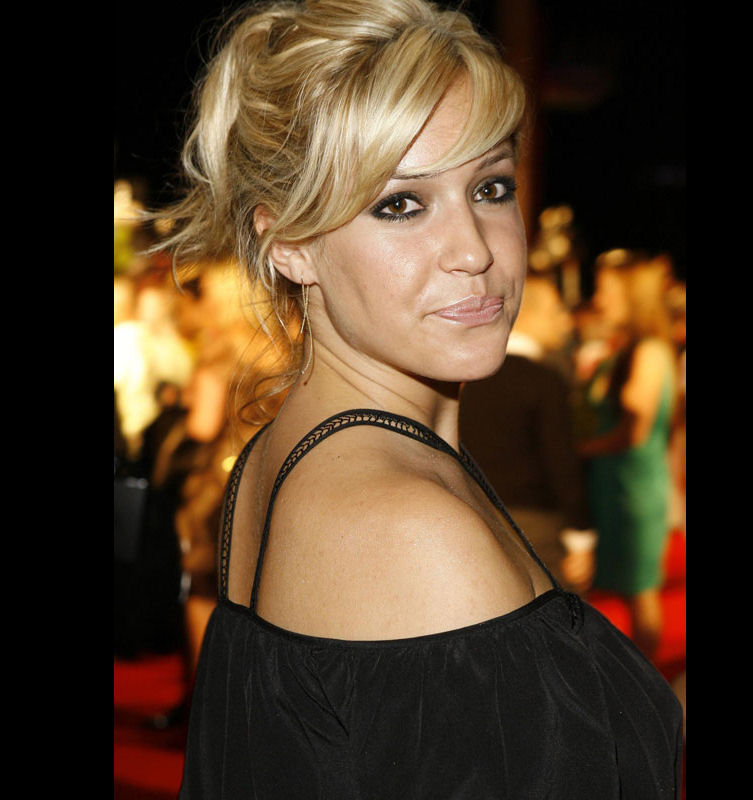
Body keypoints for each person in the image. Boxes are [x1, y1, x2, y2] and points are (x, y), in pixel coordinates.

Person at [148, 2, 682, 796]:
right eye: (401, 204)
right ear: (289, 244)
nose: (474, 250)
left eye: (491, 187)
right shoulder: (403, 522)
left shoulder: (296, 452)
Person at [460, 274, 596, 592]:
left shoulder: (468, 378)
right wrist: (580, 535)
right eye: (556, 311)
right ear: (526, 312)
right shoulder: (544, 380)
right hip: (537, 528)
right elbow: (561, 462)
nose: (565, 321)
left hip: (479, 519)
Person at [578, 249, 678, 660]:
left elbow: (633, 431)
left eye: (606, 290)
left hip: (632, 493)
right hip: (611, 487)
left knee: (640, 594)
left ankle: (650, 686)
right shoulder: (623, 349)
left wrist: (579, 450)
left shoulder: (650, 350)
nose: (598, 299)